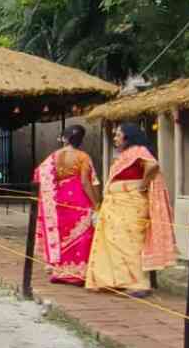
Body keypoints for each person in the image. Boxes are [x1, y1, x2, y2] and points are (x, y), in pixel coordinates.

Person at [85, 123, 176, 297]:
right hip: (116, 203)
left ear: (128, 136)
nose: (115, 138)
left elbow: (152, 166)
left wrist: (142, 185)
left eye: (118, 135)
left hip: (130, 203)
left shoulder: (139, 150)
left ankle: (139, 284)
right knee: (115, 242)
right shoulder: (126, 154)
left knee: (129, 243)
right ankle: (116, 280)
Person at [34, 125, 99, 286]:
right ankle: (79, 273)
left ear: (65, 138)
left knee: (63, 233)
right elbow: (85, 181)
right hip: (79, 197)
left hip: (60, 197)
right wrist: (96, 202)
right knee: (82, 234)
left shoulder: (54, 156)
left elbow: (39, 175)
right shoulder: (83, 156)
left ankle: (61, 271)